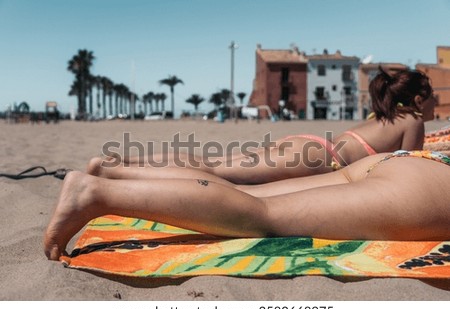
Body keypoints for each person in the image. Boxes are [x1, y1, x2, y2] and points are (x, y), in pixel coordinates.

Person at [44, 150, 450, 261]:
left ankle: (113, 178)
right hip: (427, 187)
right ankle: (98, 194)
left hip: (407, 165)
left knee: (246, 195)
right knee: (261, 216)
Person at [95, 67, 437, 184]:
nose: (436, 101)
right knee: (214, 172)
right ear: (419, 98)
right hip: (315, 160)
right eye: (433, 94)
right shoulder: (413, 121)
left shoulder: (383, 117)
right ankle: (117, 170)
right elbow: (411, 170)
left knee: (210, 164)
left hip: (308, 146)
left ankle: (121, 163)